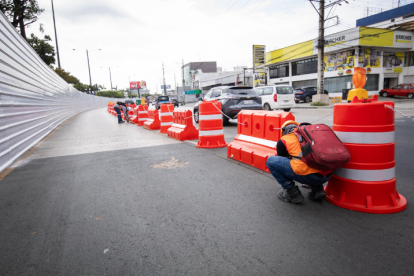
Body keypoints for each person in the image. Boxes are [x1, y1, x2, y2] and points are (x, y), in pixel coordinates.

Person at [266, 121, 332, 204]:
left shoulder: (284, 140)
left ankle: (292, 193)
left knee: (271, 161)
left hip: (307, 176)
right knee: (309, 160)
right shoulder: (311, 136)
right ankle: (318, 190)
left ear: (284, 131)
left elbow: (282, 161)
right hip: (326, 175)